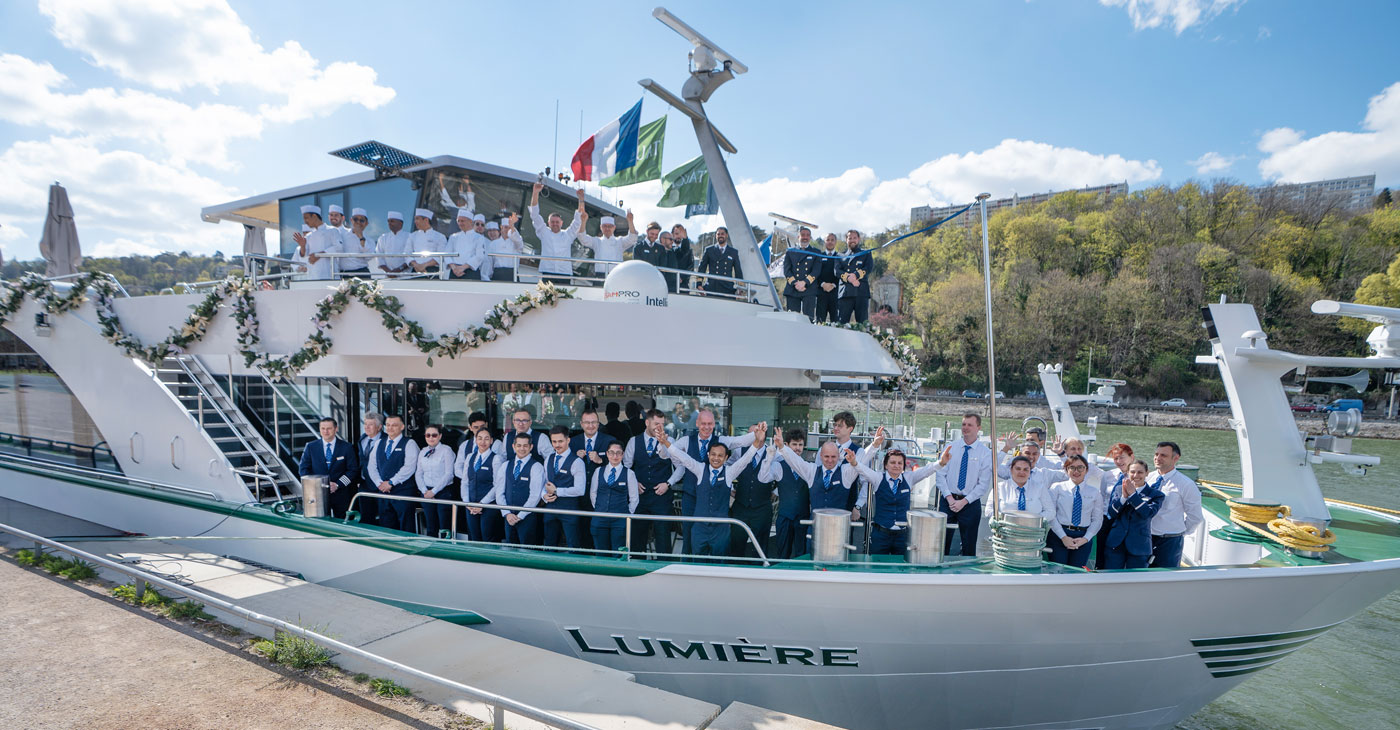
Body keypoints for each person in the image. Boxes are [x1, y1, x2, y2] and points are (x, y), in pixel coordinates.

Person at [658, 422, 767, 559]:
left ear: (726, 458)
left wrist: (757, 441)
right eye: (713, 454)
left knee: (719, 564)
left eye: (720, 456)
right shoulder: (699, 469)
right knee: (697, 562)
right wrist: (665, 443)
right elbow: (682, 457)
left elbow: (745, 459)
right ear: (708, 455)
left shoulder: (729, 472)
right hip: (700, 528)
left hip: (720, 530)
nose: (716, 458)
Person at [848, 427, 940, 555]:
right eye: (892, 462)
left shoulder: (909, 478)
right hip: (881, 534)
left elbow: (927, 470)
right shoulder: (878, 478)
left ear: (903, 465)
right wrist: (854, 462)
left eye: (899, 463)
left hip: (902, 535)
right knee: (877, 565)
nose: (896, 465)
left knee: (902, 568)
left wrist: (941, 462)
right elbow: (863, 470)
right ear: (886, 465)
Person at [933, 413, 992, 557]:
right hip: (948, 500)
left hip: (970, 503)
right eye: (963, 424)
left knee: (969, 545)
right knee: (941, 544)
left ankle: (968, 575)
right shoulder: (950, 447)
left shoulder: (985, 453)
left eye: (970, 425)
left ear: (978, 428)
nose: (965, 428)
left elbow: (983, 485)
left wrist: (964, 502)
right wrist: (950, 499)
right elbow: (940, 474)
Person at [623, 408, 675, 554]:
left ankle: (664, 570)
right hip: (641, 497)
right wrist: (633, 483)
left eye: (662, 424)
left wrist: (668, 483)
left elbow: (681, 467)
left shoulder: (669, 441)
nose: (659, 427)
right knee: (637, 538)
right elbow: (626, 467)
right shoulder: (633, 441)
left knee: (663, 538)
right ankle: (637, 570)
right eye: (656, 423)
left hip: (662, 497)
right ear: (647, 422)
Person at [759, 428, 813, 559]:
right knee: (782, 553)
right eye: (794, 444)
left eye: (800, 444)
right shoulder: (779, 466)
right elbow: (763, 477)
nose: (798, 448)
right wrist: (770, 456)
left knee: (802, 554)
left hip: (803, 518)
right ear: (787, 445)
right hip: (784, 517)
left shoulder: (808, 466)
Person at [1148, 441, 1203, 568]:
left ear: (1176, 458)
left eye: (1163, 455)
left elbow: (1195, 517)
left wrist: (1178, 531)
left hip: (1169, 542)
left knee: (1165, 579)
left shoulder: (1186, 485)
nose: (1158, 458)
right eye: (1156, 454)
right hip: (1145, 538)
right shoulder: (1148, 479)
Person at [1103, 459, 1164, 569]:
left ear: (1147, 473)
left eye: (1140, 472)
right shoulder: (1118, 489)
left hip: (1139, 545)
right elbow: (1111, 513)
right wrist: (1123, 498)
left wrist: (1133, 495)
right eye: (1132, 472)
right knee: (1112, 578)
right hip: (1116, 543)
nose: (1136, 475)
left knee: (1137, 579)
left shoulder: (1156, 495)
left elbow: (1148, 513)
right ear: (1127, 473)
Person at [1046, 454, 1103, 568]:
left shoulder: (1095, 492)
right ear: (1066, 470)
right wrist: (1063, 537)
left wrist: (1086, 538)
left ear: (1086, 470)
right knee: (1057, 571)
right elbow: (1051, 515)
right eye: (1072, 467)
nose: (1076, 471)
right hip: (1059, 535)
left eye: (1080, 467)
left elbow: (1097, 520)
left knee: (1077, 573)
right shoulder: (1056, 488)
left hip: (1083, 537)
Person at [366, 415, 420, 533]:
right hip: (383, 492)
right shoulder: (379, 443)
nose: (390, 428)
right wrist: (379, 483)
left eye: (394, 425)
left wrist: (391, 482)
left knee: (406, 526)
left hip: (403, 492)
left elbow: (409, 467)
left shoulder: (410, 443)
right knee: (386, 526)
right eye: (388, 425)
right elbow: (371, 466)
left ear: (402, 427)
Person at [297, 417, 357, 519]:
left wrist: (338, 484)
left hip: (341, 494)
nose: (325, 431)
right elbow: (303, 470)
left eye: (329, 428)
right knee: (319, 523)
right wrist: (317, 485)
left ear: (336, 429)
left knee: (343, 522)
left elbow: (353, 470)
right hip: (317, 495)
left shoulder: (347, 447)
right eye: (323, 428)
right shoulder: (311, 447)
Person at [728, 439, 778, 560]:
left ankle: (759, 574)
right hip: (740, 506)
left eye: (754, 435)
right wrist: (728, 487)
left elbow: (783, 472)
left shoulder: (773, 453)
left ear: (763, 437)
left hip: (762, 508)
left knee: (760, 547)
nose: (750, 439)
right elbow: (726, 467)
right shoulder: (740, 451)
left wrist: (776, 491)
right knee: (736, 545)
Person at [541, 425, 587, 550]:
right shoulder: (548, 459)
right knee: (549, 545)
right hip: (550, 510)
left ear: (568, 440)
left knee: (573, 545)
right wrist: (543, 495)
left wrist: (557, 491)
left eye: (560, 441)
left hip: (569, 510)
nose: (557, 445)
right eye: (554, 441)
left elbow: (580, 489)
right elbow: (544, 483)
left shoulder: (577, 462)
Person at [529, 182, 585, 285]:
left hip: (564, 273)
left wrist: (581, 200)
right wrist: (535, 193)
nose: (555, 224)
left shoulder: (568, 235)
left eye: (557, 222)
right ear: (548, 223)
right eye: (552, 222)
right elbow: (534, 214)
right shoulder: (544, 232)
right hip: (547, 272)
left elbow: (578, 220)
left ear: (561, 223)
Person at [495, 432, 545, 545]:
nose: (522, 449)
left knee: (527, 552)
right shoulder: (505, 465)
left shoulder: (537, 467)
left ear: (531, 447)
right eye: (519, 445)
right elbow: (499, 492)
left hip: (527, 518)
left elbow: (535, 496)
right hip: (508, 518)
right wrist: (507, 513)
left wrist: (520, 516)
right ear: (513, 446)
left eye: (525, 446)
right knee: (510, 550)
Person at [589, 441, 640, 552]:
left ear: (622, 454)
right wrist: (599, 507)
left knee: (618, 552)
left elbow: (634, 498)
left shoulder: (629, 473)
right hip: (600, 518)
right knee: (601, 552)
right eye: (611, 453)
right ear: (607, 454)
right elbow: (593, 492)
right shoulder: (598, 471)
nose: (615, 456)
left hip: (620, 520)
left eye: (618, 453)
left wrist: (627, 514)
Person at [457, 426, 503, 543]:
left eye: (486, 439)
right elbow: (465, 481)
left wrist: (482, 504)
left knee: (487, 537)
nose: (483, 442)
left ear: (491, 441)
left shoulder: (496, 459)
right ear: (475, 440)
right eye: (480, 438)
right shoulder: (470, 457)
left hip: (489, 505)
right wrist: (467, 502)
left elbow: (497, 485)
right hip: (470, 505)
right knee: (473, 537)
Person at [1094, 443, 1136, 569]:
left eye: (1122, 457)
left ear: (1131, 457)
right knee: (1101, 554)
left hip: (1124, 520)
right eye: (1116, 458)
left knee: (1118, 555)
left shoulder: (1137, 476)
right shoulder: (1108, 475)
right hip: (1106, 519)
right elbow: (1103, 496)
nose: (1119, 461)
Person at [415, 424, 458, 538]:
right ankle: (431, 551)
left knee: (444, 526)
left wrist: (433, 492)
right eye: (428, 435)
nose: (431, 438)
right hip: (426, 492)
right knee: (430, 525)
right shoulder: (423, 451)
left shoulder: (446, 450)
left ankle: (446, 551)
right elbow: (418, 473)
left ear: (440, 436)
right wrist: (425, 491)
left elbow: (449, 474)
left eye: (434, 435)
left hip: (443, 492)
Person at [995, 455, 1056, 527]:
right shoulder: (999, 487)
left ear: (1030, 471)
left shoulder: (1040, 488)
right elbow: (989, 510)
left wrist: (1032, 521)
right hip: (1006, 530)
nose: (1021, 472)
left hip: (1032, 532)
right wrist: (1007, 519)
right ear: (1011, 470)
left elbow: (1051, 511)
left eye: (1025, 469)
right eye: (1018, 469)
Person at [576, 210, 636, 276]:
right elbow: (583, 238)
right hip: (599, 275)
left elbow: (632, 239)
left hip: (616, 275)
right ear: (601, 227)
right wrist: (583, 222)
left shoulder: (620, 241)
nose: (607, 228)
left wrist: (630, 222)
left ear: (614, 227)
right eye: (604, 226)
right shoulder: (597, 241)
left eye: (610, 226)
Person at [830, 411, 866, 517]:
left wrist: (858, 506)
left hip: (848, 505)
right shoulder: (823, 450)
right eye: (835, 425)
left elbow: (865, 482)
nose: (836, 428)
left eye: (840, 426)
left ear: (850, 429)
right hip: (826, 505)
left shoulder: (859, 452)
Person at [291, 205, 342, 280]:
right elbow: (304, 256)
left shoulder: (332, 230)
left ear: (314, 216)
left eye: (306, 218)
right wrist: (302, 246)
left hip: (329, 275)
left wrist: (319, 255)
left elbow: (339, 248)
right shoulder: (309, 236)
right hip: (313, 277)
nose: (305, 221)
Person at [780, 226, 820, 320]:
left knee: (809, 319)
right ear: (798, 237)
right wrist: (795, 283)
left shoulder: (816, 252)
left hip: (809, 288)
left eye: (807, 235)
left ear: (810, 237)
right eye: (802, 235)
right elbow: (787, 270)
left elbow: (816, 270)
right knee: (792, 320)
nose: (805, 237)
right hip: (793, 288)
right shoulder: (791, 251)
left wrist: (804, 282)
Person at [836, 229, 872, 324]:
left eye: (854, 238)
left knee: (863, 324)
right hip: (845, 293)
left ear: (859, 239)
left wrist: (855, 275)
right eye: (850, 238)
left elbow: (868, 267)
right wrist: (849, 278)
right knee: (842, 324)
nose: (852, 240)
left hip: (861, 292)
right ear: (846, 240)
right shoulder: (839, 255)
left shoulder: (866, 253)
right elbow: (837, 271)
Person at [697, 227, 742, 299]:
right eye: (718, 234)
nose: (720, 236)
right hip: (711, 287)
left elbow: (738, 271)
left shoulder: (733, 252)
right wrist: (699, 284)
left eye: (722, 234)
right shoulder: (709, 250)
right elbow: (702, 268)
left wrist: (740, 287)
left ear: (727, 235)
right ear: (716, 236)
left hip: (727, 289)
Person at [357, 414, 386, 525]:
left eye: (371, 424)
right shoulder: (363, 439)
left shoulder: (386, 440)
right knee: (366, 518)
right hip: (364, 485)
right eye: (365, 424)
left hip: (380, 485)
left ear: (379, 427)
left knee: (384, 518)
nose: (366, 427)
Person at [447, 208, 487, 280]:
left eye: (462, 221)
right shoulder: (453, 237)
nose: (460, 223)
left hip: (470, 271)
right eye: (458, 221)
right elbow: (447, 254)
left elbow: (479, 256)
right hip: (454, 271)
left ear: (470, 221)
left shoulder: (479, 237)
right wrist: (454, 268)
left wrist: (463, 267)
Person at [633, 223, 676, 291]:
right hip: (642, 283)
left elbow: (663, 268)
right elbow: (638, 267)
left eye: (656, 235)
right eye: (652, 234)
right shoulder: (638, 247)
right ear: (647, 231)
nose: (654, 236)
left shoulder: (661, 248)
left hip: (656, 284)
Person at [408, 208, 448, 275]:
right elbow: (407, 253)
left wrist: (424, 265)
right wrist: (416, 265)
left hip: (432, 271)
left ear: (426, 220)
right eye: (415, 219)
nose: (415, 221)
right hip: (415, 269)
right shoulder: (412, 236)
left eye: (417, 219)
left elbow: (440, 256)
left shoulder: (440, 237)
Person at [486, 214, 523, 281]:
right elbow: (489, 263)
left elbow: (519, 241)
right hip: (497, 274)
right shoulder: (493, 244)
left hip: (512, 274)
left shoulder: (516, 242)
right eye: (506, 227)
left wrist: (512, 226)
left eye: (510, 228)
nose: (507, 230)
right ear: (501, 227)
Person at [814, 233, 842, 322]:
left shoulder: (840, 257)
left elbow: (841, 273)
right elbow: (815, 273)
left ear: (836, 242)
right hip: (821, 293)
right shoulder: (819, 256)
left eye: (832, 240)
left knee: (836, 321)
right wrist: (823, 284)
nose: (830, 242)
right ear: (824, 242)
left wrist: (833, 285)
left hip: (835, 293)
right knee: (820, 321)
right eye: (828, 240)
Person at [339, 208, 375, 276]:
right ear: (351, 220)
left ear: (366, 223)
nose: (358, 222)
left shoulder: (370, 240)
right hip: (343, 274)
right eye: (355, 219)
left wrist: (361, 237)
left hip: (361, 273)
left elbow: (369, 257)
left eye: (361, 220)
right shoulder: (341, 234)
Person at [670, 224, 695, 292]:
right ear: (672, 234)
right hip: (669, 285)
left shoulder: (688, 251)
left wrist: (682, 277)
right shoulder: (667, 249)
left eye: (681, 234)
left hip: (683, 285)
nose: (679, 236)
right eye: (677, 233)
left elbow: (691, 267)